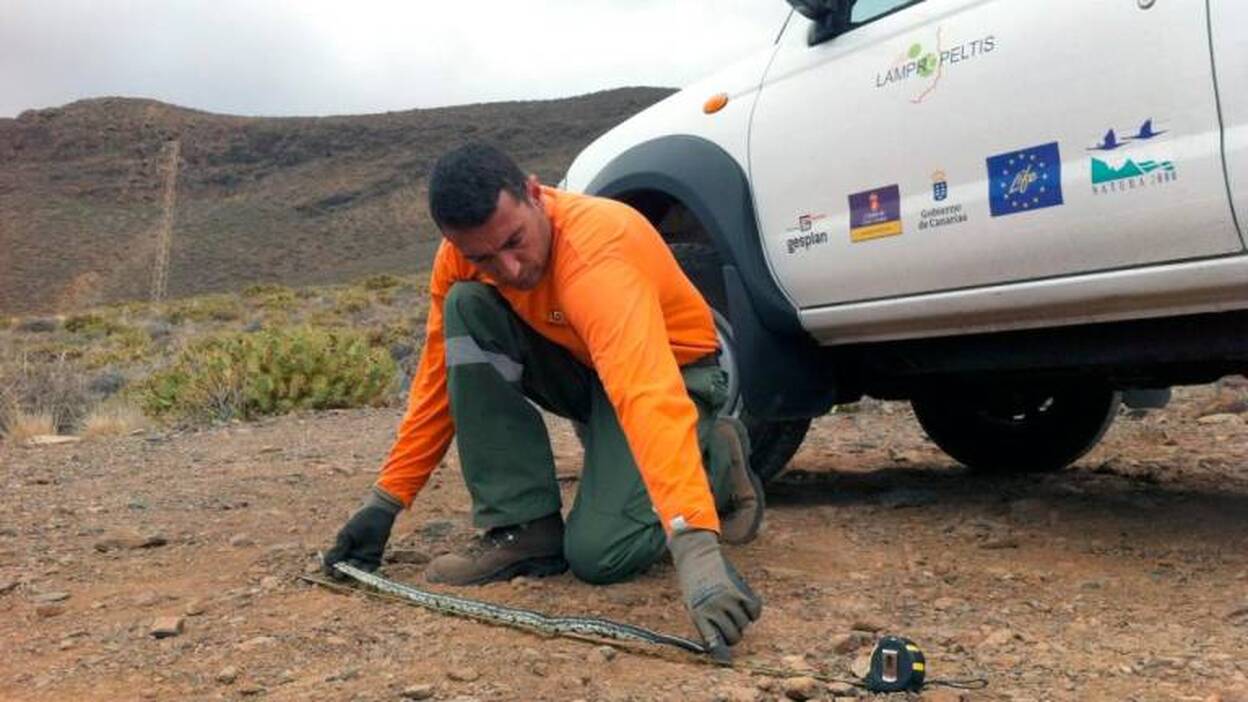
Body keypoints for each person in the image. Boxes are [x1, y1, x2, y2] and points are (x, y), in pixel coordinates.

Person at [323, 143, 763, 656]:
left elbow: (645, 393)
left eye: (515, 241)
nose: (508, 269)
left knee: (601, 555)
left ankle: (714, 455)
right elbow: (437, 382)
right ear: (453, 242)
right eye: (482, 257)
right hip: (586, 370)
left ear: (535, 193)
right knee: (468, 308)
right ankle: (524, 526)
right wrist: (386, 502)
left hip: (675, 374)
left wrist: (693, 547)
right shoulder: (459, 264)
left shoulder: (598, 254)